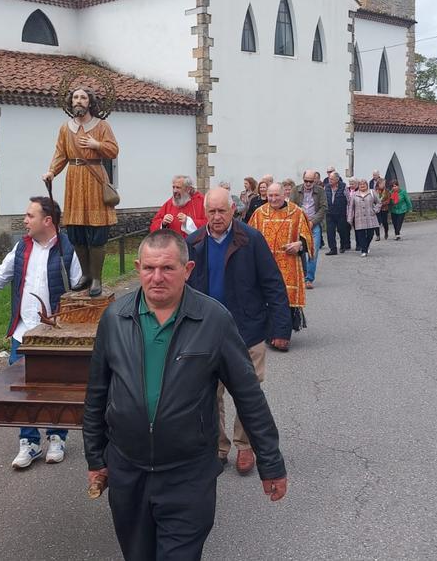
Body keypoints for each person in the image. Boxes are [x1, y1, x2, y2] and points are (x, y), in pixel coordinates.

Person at [83, 230, 288, 561]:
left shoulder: (214, 319)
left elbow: (248, 395)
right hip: (128, 471)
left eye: (167, 268)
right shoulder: (114, 319)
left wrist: (271, 463)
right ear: (138, 268)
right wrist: (95, 459)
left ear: (188, 269)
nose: (157, 277)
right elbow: (97, 394)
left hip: (188, 475)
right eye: (149, 268)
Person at [0, 197, 80, 469]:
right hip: (23, 334)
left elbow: (80, 290)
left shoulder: (69, 249)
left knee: (56, 389)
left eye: (29, 215)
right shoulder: (22, 248)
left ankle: (57, 437)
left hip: (57, 336)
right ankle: (29, 442)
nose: (24, 220)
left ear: (48, 221)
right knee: (23, 392)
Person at [186, 188, 291, 474]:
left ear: (233, 210)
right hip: (206, 332)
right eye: (212, 212)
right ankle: (219, 447)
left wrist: (281, 327)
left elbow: (273, 283)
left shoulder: (251, 240)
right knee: (209, 393)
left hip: (247, 329)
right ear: (204, 212)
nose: (217, 217)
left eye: (222, 211)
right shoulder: (193, 242)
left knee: (248, 391)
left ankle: (245, 446)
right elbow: (181, 290)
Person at [43, 86, 118, 297]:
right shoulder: (65, 128)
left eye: (83, 97)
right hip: (74, 180)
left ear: (90, 102)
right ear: (70, 102)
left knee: (97, 232)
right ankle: (85, 275)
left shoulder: (102, 126)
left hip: (95, 177)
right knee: (76, 232)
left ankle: (96, 278)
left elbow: (113, 150)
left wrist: (96, 144)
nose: (79, 101)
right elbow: (60, 154)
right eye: (75, 97)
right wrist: (51, 172)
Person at [248, 181, 314, 349]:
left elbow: (307, 237)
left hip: (288, 262)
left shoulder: (296, 212)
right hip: (265, 264)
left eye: (276, 195)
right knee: (267, 298)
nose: (273, 199)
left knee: (285, 298)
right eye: (270, 195)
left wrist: (299, 245)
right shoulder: (259, 213)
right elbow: (248, 237)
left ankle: (282, 335)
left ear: (284, 194)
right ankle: (271, 334)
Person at [291, 170, 325, 289]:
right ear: (303, 179)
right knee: (299, 251)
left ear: (315, 180)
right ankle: (302, 276)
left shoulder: (320, 191)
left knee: (313, 252)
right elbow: (292, 206)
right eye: (306, 181)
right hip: (299, 224)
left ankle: (309, 279)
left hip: (313, 225)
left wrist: (312, 222)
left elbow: (323, 208)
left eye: (311, 181)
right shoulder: (296, 190)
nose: (308, 183)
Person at [347, 178, 381, 257]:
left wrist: (375, 210)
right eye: (360, 184)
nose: (362, 186)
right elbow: (351, 207)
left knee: (370, 234)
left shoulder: (372, 192)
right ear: (358, 186)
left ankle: (366, 245)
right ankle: (364, 250)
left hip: (370, 217)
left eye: (364, 184)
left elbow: (379, 202)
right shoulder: (355, 194)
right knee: (360, 235)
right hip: (359, 218)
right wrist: (350, 218)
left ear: (367, 185)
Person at [323, 171, 350, 254]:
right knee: (330, 232)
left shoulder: (344, 186)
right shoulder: (326, 187)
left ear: (337, 179)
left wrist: (348, 212)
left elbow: (349, 200)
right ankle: (333, 249)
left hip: (341, 213)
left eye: (332, 179)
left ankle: (343, 246)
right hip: (330, 213)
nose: (329, 180)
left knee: (342, 230)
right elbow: (324, 199)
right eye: (329, 179)